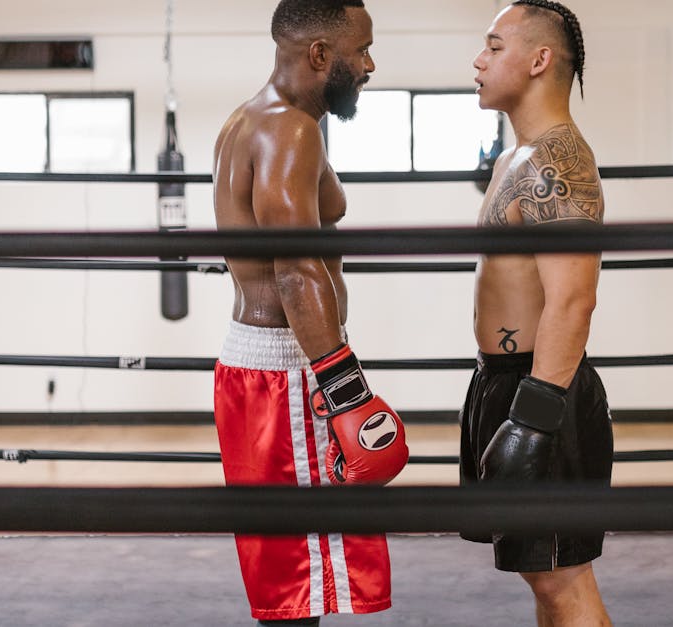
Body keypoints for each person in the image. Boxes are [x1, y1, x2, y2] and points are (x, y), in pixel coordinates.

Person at [211, 1, 408, 625]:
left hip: (262, 368)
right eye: (362, 50)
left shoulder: (247, 120)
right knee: (301, 584)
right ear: (321, 55)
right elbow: (296, 270)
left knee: (289, 580)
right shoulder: (289, 130)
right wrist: (345, 390)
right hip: (290, 375)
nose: (370, 64)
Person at [461, 2, 614, 626]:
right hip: (503, 380)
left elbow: (574, 298)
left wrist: (536, 417)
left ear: (538, 60)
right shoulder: (513, 159)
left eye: (494, 47)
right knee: (544, 581)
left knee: (563, 583)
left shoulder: (559, 163)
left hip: (541, 388)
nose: (479, 60)